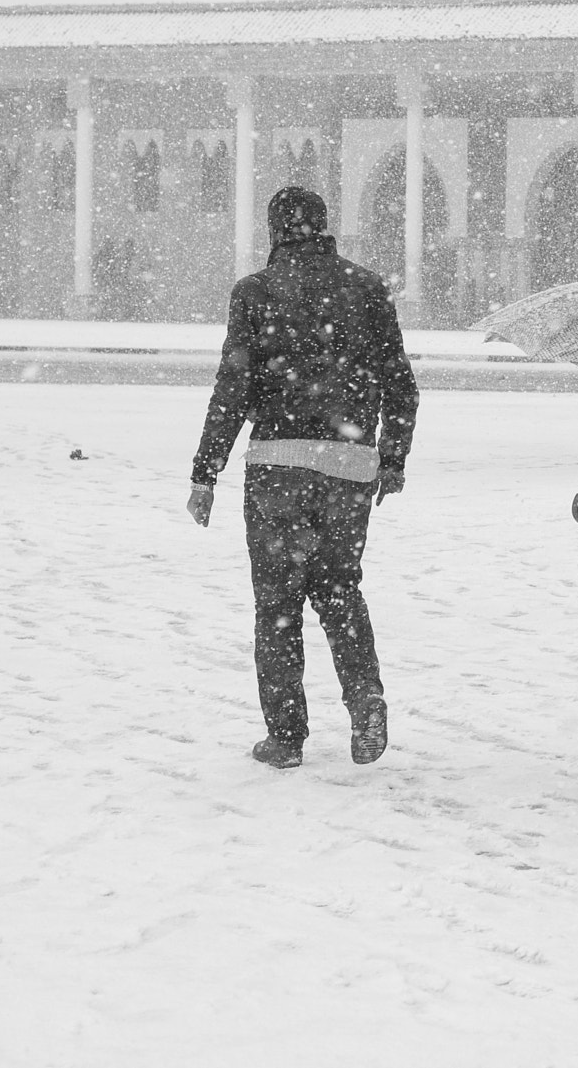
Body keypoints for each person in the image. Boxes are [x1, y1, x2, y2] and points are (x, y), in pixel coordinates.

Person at [187, 187, 418, 770]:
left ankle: (285, 737)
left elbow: (233, 388)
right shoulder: (366, 288)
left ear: (275, 232)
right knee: (340, 592)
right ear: (322, 228)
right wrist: (391, 459)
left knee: (277, 605)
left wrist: (206, 471)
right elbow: (402, 385)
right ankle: (365, 699)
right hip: (348, 466)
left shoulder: (256, 293)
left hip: (277, 466)